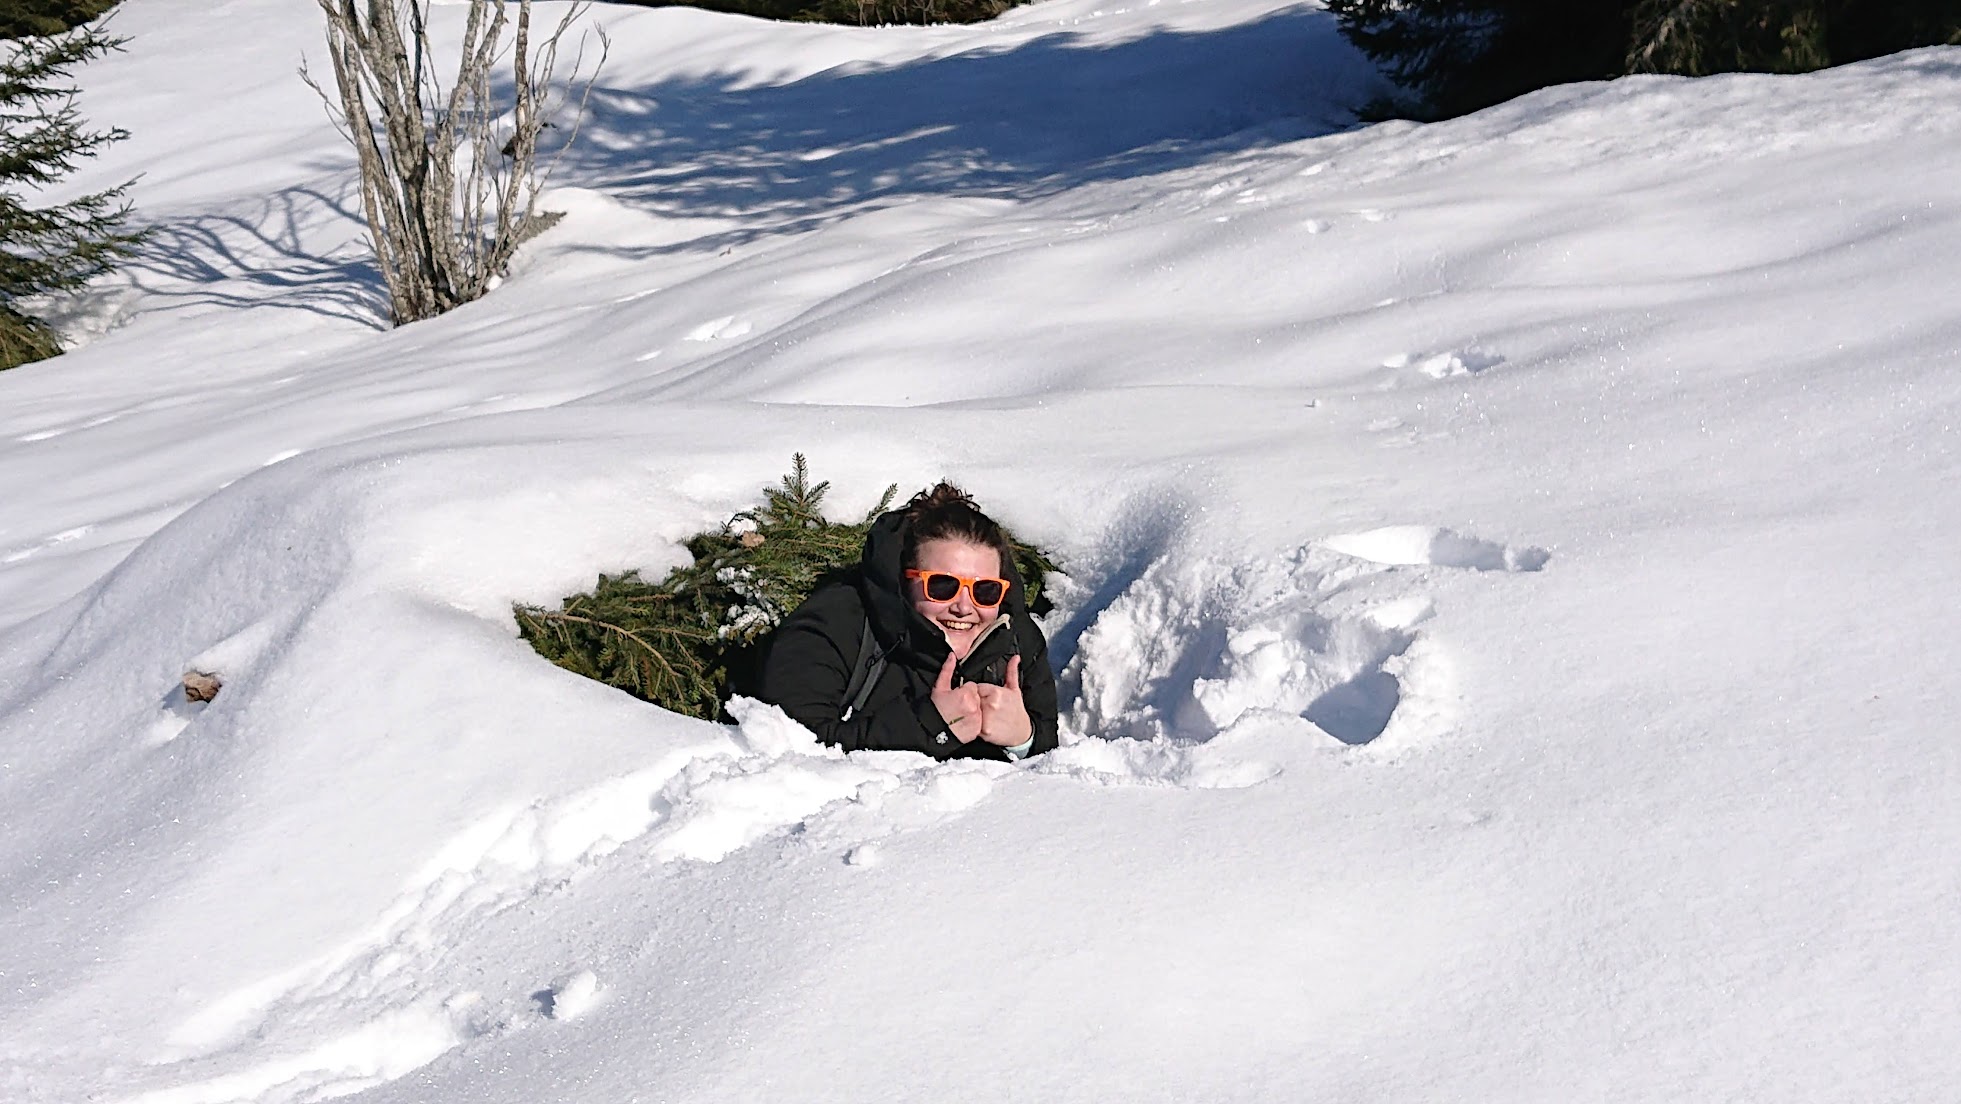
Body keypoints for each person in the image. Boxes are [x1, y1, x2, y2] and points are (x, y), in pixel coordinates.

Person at [759, 482, 1059, 760]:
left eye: (986, 590)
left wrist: (1024, 738)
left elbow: (1050, 758)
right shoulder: (837, 623)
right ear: (904, 580)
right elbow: (789, 747)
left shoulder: (1015, 640)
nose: (964, 607)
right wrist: (928, 725)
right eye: (942, 586)